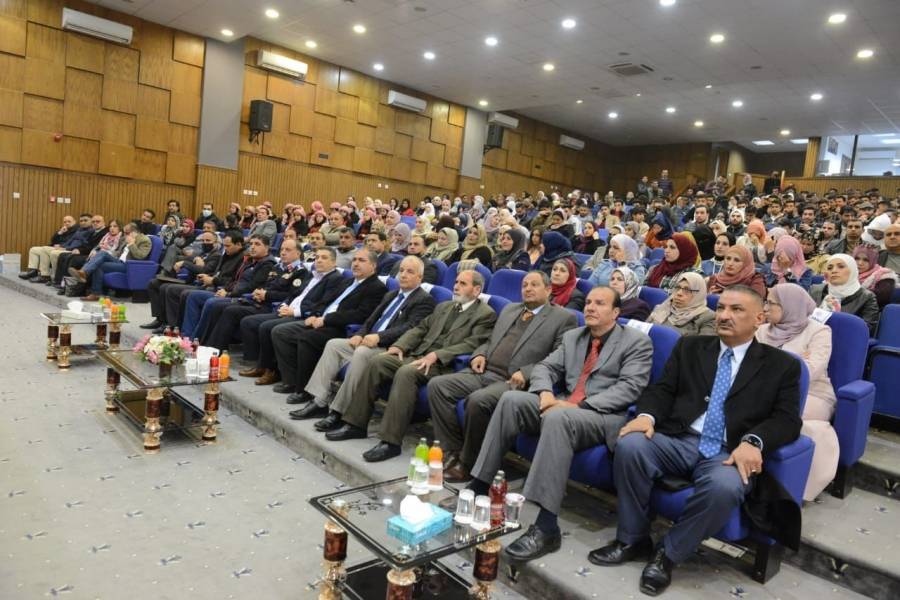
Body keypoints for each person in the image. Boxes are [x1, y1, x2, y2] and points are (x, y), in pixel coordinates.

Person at [590, 286, 802, 596]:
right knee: (631, 444)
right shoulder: (690, 347)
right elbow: (663, 390)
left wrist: (754, 441)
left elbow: (787, 420)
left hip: (728, 451)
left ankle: (668, 553)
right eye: (721, 308)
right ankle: (632, 539)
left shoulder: (782, 365)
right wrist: (647, 417)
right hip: (679, 438)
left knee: (725, 486)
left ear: (759, 318)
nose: (724, 315)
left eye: (736, 310)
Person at [464, 287, 653, 561]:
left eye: (600, 303)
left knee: (557, 417)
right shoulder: (574, 336)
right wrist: (544, 392)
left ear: (615, 312)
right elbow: (544, 368)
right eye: (588, 302)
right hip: (562, 405)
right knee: (511, 399)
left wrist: (577, 406)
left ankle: (546, 526)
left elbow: (630, 388)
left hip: (601, 415)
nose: (590, 307)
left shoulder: (636, 342)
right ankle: (480, 484)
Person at [329, 270, 497, 462]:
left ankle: (390, 442)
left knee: (406, 372)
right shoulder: (444, 306)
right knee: (378, 361)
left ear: (476, 290)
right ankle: (355, 424)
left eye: (463, 284)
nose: (456, 286)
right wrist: (400, 345)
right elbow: (420, 329)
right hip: (417, 355)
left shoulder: (485, 314)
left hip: (444, 366)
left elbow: (472, 344)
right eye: (456, 282)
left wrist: (437, 355)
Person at [426, 271, 577, 482]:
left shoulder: (563, 318)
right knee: (437, 385)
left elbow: (559, 358)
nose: (528, 289)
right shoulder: (510, 309)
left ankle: (469, 463)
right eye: (525, 285)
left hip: (512, 381)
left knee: (478, 401)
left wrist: (527, 372)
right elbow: (490, 340)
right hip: (484, 371)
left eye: (534, 285)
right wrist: (480, 354)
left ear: (548, 289)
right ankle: (452, 451)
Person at [293, 256, 437, 422]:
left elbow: (410, 328)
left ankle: (340, 410)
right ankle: (318, 402)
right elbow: (371, 319)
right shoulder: (391, 294)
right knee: (333, 345)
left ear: (420, 277)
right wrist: (359, 334)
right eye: (401, 270)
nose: (403, 275)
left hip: (389, 348)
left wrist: (379, 337)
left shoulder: (424, 300)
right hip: (367, 341)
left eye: (410, 272)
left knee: (361, 353)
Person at [270, 249, 388, 402]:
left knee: (307, 338)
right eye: (354, 260)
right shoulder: (348, 281)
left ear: (373, 266)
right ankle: (291, 380)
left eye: (361, 260)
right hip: (321, 320)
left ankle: (304, 390)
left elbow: (360, 315)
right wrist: (315, 314)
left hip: (340, 327)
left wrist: (326, 319)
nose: (356, 263)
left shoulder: (376, 288)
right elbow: (326, 301)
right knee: (281, 332)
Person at [757, 284, 838, 501]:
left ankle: (784, 486)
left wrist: (772, 369)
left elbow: (809, 372)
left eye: (771, 303)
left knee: (777, 417)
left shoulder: (819, 331)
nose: (765, 308)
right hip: (766, 392)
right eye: (766, 302)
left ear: (789, 305)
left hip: (812, 394)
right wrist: (795, 361)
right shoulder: (762, 331)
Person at [238, 247, 346, 385]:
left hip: (304, 315)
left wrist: (294, 312)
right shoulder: (312, 274)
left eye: (324, 258)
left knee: (268, 327)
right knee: (252, 322)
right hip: (289, 309)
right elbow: (295, 294)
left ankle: (273, 371)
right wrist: (284, 305)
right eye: (317, 257)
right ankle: (262, 366)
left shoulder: (335, 279)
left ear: (334, 262)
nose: (319, 260)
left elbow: (322, 303)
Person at [202, 240, 308, 350]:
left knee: (231, 311)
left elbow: (291, 296)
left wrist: (266, 295)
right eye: (282, 249)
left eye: (288, 250)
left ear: (298, 253)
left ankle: (215, 349)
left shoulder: (301, 272)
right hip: (259, 301)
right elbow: (267, 285)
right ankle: (207, 345)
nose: (283, 252)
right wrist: (259, 292)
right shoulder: (278, 267)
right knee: (220, 306)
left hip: (274, 306)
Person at [180, 234, 276, 338]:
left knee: (212, 302)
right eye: (251, 244)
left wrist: (228, 293)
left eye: (257, 244)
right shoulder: (250, 261)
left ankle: (196, 339)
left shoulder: (267, 264)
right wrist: (225, 289)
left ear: (267, 247)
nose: (252, 247)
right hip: (231, 292)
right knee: (194, 296)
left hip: (243, 298)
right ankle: (186, 335)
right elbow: (235, 280)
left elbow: (251, 287)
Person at [142, 231, 223, 330]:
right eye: (203, 240)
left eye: (208, 240)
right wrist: (193, 259)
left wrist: (185, 263)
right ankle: (159, 319)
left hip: (199, 284)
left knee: (166, 288)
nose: (205, 242)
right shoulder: (202, 253)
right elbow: (186, 258)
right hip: (187, 280)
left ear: (216, 243)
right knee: (154, 283)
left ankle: (171, 325)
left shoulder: (216, 255)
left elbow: (205, 270)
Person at [69, 222, 151, 301]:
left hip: (129, 265)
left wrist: (132, 244)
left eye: (127, 233)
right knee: (102, 253)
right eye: (124, 233)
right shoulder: (126, 238)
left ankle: (93, 291)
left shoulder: (144, 240)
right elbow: (118, 253)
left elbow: (141, 256)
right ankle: (84, 273)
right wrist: (107, 251)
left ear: (134, 232)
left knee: (99, 266)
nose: (125, 235)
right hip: (119, 261)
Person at [810, 254, 880, 334]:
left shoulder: (867, 297)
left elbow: (865, 330)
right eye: (829, 268)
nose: (834, 271)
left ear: (852, 270)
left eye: (841, 266)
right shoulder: (815, 290)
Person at [648, 272, 716, 336]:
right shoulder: (664, 307)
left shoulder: (709, 318)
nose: (679, 293)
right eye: (678, 288)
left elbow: (703, 344)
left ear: (698, 294)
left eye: (687, 290)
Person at [20, 215, 78, 283]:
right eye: (65, 222)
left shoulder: (77, 230)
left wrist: (61, 246)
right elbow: (53, 241)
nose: (67, 223)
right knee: (33, 249)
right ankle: (32, 271)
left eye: (69, 221)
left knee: (45, 249)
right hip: (56, 247)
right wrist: (59, 233)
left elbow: (71, 243)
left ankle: (45, 275)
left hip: (64, 248)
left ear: (74, 222)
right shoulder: (64, 229)